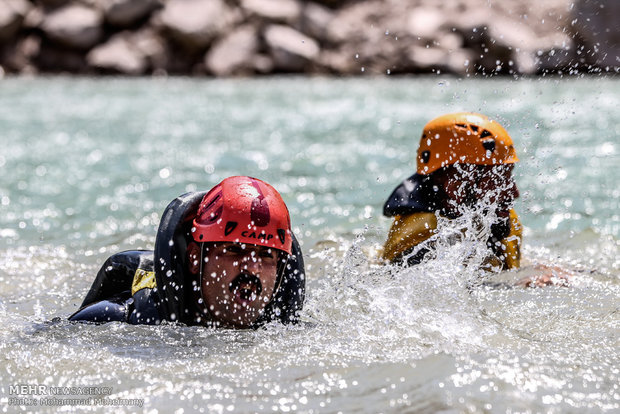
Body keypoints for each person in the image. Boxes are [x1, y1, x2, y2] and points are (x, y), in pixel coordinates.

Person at [70, 176, 305, 328]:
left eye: (266, 256)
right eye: (234, 250)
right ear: (195, 257)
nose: (252, 267)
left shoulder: (293, 338)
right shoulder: (110, 321)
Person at [381, 112, 568, 287]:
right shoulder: (424, 240)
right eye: (496, 180)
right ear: (454, 185)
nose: (513, 191)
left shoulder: (497, 218)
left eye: (509, 176)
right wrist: (519, 286)